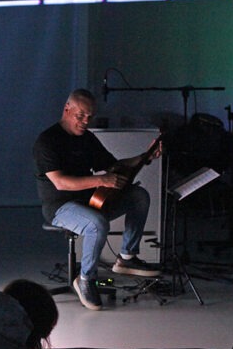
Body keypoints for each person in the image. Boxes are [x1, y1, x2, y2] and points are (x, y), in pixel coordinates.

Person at [33, 88, 162, 311]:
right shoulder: (47, 141)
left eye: (90, 116)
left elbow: (114, 166)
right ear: (67, 109)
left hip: (92, 201)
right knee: (97, 224)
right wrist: (101, 180)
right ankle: (86, 279)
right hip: (60, 207)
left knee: (138, 196)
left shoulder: (87, 139)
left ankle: (127, 257)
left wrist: (145, 157)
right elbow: (61, 183)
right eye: (81, 115)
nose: (86, 121)